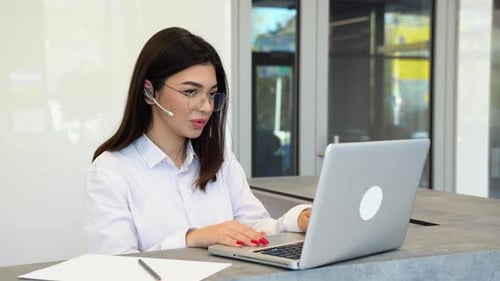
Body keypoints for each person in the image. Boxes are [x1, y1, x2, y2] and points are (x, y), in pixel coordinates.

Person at [84, 27, 311, 255]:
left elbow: (253, 228)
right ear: (149, 92)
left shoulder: (219, 160)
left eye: (212, 94)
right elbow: (114, 266)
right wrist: (192, 238)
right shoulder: (110, 171)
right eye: (191, 92)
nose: (207, 107)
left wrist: (297, 220)